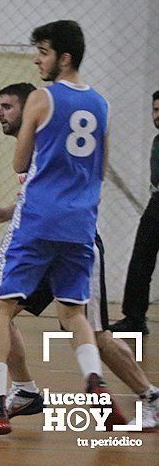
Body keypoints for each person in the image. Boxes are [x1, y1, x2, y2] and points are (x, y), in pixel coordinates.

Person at [0, 20, 115, 437]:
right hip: (81, 224)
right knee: (74, 312)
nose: (37, 59)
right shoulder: (101, 104)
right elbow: (100, 168)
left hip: (39, 222)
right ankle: (94, 382)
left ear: (63, 58)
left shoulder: (42, 99)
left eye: (43, 52)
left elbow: (20, 162)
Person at [0, 84, 157, 430]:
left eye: (8, 106)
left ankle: (150, 395)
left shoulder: (49, 140)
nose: (1, 112)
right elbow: (41, 199)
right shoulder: (35, 147)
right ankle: (26, 389)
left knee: (94, 332)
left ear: (30, 109)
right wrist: (6, 212)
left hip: (73, 242)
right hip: (42, 240)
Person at [108, 90, 159, 336]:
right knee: (141, 261)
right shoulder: (157, 140)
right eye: (155, 110)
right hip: (156, 205)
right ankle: (134, 318)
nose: (157, 116)